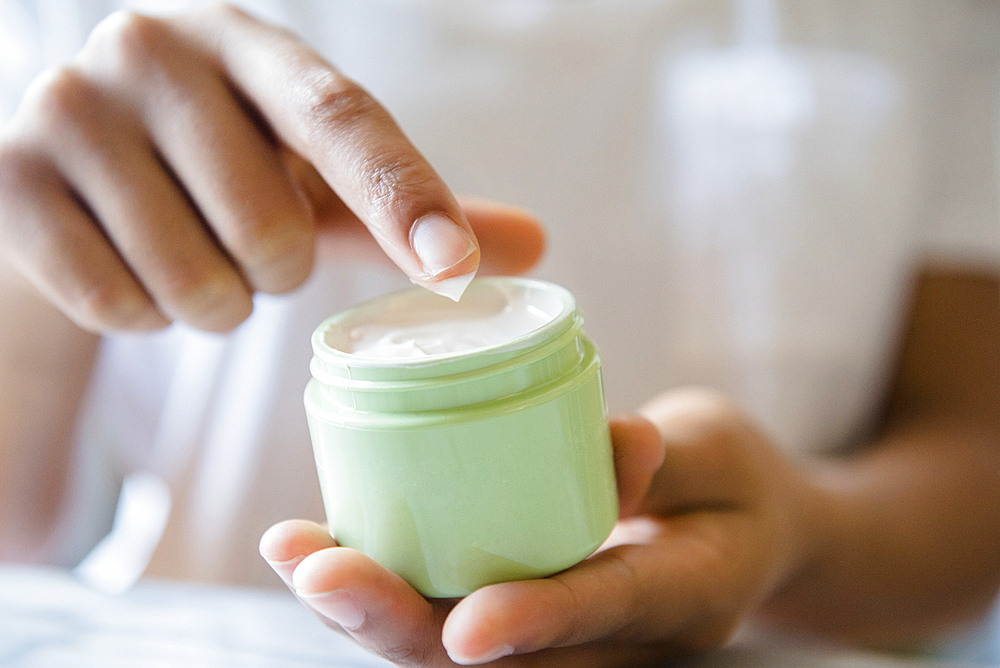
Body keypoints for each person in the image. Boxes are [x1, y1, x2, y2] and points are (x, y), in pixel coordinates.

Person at [0, 1, 998, 666]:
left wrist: (802, 531)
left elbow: (975, 446)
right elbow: (14, 519)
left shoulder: (946, 23)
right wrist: (31, 249)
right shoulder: (103, 31)